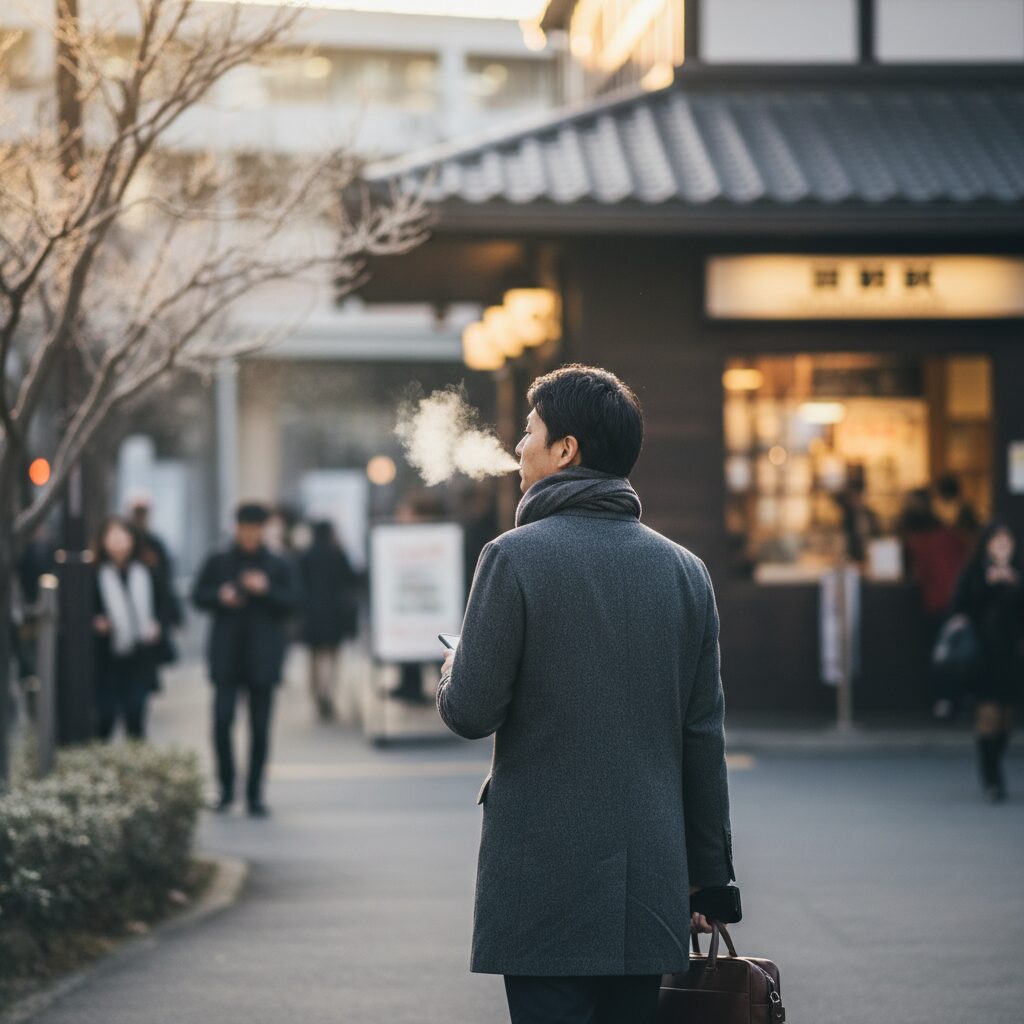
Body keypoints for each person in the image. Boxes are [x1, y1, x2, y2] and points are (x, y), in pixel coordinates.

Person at [437, 365, 734, 1024]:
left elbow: (469, 711)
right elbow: (702, 739)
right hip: (651, 881)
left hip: (542, 879)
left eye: (529, 430)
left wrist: (457, 663)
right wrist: (711, 879)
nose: (518, 447)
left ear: (566, 449)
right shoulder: (687, 572)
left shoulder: (511, 558)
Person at [192, 503, 301, 817]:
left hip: (263, 659)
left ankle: (254, 794)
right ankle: (225, 790)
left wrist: (265, 589)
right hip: (226, 657)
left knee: (260, 728)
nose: (250, 534)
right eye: (245, 528)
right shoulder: (219, 560)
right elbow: (198, 595)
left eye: (256, 528)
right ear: (236, 528)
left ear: (264, 530)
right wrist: (220, 596)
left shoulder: (277, 564)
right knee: (222, 722)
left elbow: (294, 601)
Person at [950, 522, 1023, 803]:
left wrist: (1013, 582)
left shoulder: (1018, 574)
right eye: (997, 543)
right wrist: (988, 582)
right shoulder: (975, 572)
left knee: (1006, 719)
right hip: (982, 654)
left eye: (1007, 543)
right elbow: (960, 606)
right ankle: (992, 778)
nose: (1002, 549)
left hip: (1011, 656)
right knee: (988, 716)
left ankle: (996, 766)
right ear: (987, 545)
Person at [92, 516, 160, 740]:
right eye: (113, 538)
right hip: (106, 658)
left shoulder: (146, 570)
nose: (119, 543)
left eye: (123, 537)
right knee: (105, 717)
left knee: (136, 715)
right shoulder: (93, 573)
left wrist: (156, 624)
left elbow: (164, 604)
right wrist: (97, 622)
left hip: (140, 655)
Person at [298, 520, 360, 720]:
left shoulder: (306, 555)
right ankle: (328, 692)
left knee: (315, 657)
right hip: (335, 613)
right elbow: (351, 578)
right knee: (333, 656)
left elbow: (299, 583)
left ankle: (317, 693)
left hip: (312, 614)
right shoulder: (337, 553)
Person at [129, 496, 183, 674]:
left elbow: (166, 582)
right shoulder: (127, 542)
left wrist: (169, 617)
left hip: (152, 611)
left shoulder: (155, 544)